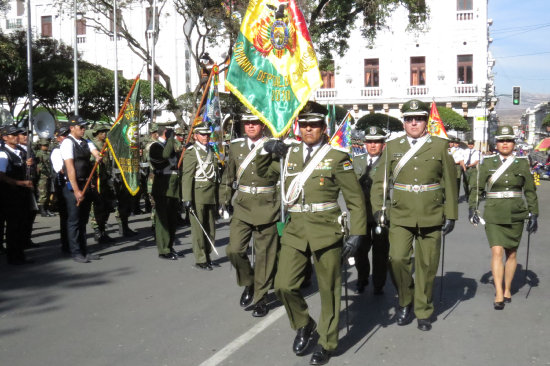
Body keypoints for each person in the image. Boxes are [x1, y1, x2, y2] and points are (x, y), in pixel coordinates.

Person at [261, 101, 366, 365]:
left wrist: (357, 233)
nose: (309, 130)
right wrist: (266, 148)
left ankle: (327, 342)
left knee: (330, 290)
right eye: (305, 125)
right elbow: (262, 173)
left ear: (323, 127)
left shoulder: (337, 157)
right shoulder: (288, 155)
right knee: (284, 285)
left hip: (326, 230)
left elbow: (355, 199)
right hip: (296, 229)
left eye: (315, 125)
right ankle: (304, 323)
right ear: (299, 127)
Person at [371, 99, 458, 331]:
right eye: (409, 119)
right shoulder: (392, 146)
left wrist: (451, 214)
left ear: (425, 122)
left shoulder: (439, 145)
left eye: (418, 118)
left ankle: (423, 310)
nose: (413, 123)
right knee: (397, 259)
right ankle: (404, 300)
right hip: (400, 213)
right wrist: (380, 208)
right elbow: (380, 182)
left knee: (427, 265)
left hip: (431, 212)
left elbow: (449, 181)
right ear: (404, 122)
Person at [468, 125, 538, 310]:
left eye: (508, 140)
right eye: (501, 141)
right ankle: (498, 291)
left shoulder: (522, 163)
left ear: (514, 143)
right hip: (494, 213)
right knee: (497, 252)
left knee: (511, 253)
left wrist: (534, 213)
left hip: (516, 212)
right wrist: (472, 209)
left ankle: (508, 288)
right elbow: (477, 189)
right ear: (496, 143)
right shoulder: (487, 163)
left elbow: (530, 191)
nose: (505, 144)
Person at [221, 111, 280, 317]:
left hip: (268, 205)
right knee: (234, 250)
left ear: (262, 125)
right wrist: (225, 200)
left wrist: (281, 152)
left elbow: (283, 174)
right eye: (247, 123)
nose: (251, 126)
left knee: (265, 256)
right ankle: (249, 282)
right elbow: (228, 175)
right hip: (243, 206)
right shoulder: (236, 146)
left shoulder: (273, 145)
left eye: (255, 123)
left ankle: (261, 298)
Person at [353, 126, 390, 295]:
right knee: (360, 249)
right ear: (364, 144)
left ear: (383, 144)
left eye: (377, 142)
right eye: (369, 142)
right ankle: (362, 277)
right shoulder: (356, 161)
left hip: (381, 214)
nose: (373, 145)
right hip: (361, 214)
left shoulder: (388, 162)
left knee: (380, 251)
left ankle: (378, 282)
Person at [61, 115, 102, 263]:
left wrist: (97, 156)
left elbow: (94, 151)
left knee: (83, 219)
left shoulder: (86, 141)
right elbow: (70, 167)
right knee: (74, 220)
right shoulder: (67, 143)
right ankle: (75, 251)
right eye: (81, 127)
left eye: (84, 127)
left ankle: (84, 249)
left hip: (86, 183)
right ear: (72, 128)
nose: (84, 129)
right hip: (74, 185)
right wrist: (76, 190)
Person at [182, 123, 221, 270]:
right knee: (199, 229)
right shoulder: (192, 152)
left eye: (207, 134)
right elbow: (187, 176)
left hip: (211, 193)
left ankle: (208, 255)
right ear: (195, 136)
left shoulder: (211, 150)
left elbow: (215, 173)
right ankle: (201, 258)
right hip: (197, 193)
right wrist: (187, 198)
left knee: (210, 227)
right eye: (202, 134)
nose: (205, 137)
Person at [0, 125, 35, 265]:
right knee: (13, 226)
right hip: (9, 194)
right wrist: (20, 183)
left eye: (16, 134)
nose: (15, 136)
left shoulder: (20, 150)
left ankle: (20, 254)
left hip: (22, 194)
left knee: (21, 224)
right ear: (4, 137)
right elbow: (1, 176)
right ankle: (13, 256)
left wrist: (27, 164)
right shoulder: (3, 153)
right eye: (12, 134)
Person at [149, 126, 182, 260]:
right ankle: (163, 249)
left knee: (172, 219)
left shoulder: (171, 145)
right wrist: (170, 140)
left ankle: (170, 245)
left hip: (174, 186)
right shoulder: (155, 146)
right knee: (163, 220)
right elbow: (165, 155)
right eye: (170, 133)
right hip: (163, 186)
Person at [89, 122, 116, 244]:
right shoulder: (93, 145)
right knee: (96, 207)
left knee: (107, 205)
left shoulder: (106, 145)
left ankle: (102, 228)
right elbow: (91, 164)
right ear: (97, 134)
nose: (104, 134)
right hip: (96, 180)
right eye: (102, 132)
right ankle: (97, 231)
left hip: (106, 179)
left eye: (105, 132)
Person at [50, 124, 70, 254]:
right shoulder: (57, 151)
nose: (66, 137)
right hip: (63, 186)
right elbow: (61, 170)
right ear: (58, 138)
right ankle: (66, 244)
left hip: (71, 185)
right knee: (66, 217)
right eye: (63, 135)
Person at [35, 138, 55, 217]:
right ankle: (42, 210)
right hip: (42, 176)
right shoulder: (39, 153)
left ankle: (46, 209)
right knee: (42, 193)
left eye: (47, 145)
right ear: (40, 146)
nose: (46, 146)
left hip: (48, 174)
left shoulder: (48, 153)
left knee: (48, 192)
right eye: (44, 145)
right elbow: (39, 165)